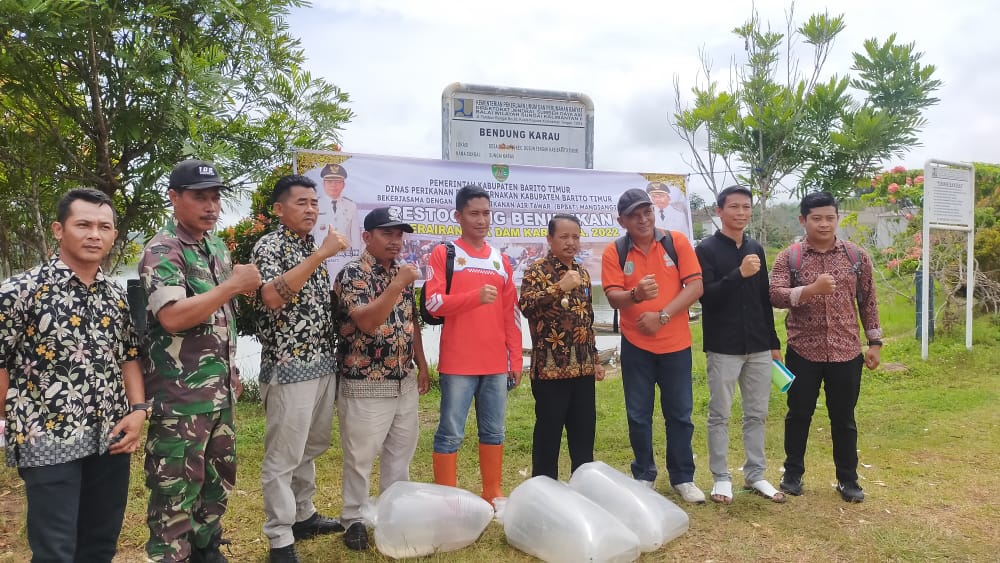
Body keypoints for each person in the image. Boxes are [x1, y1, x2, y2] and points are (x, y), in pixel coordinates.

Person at [0, 189, 146, 562]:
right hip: (48, 439)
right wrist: (8, 418)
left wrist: (138, 410)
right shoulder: (20, 292)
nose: (94, 234)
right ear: (59, 230)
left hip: (109, 437)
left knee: (100, 543)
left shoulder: (115, 295)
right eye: (83, 224)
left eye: (104, 226)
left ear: (114, 235)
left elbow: (129, 355)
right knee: (55, 549)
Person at [140, 159, 263, 562]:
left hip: (219, 394)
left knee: (217, 480)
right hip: (179, 400)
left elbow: (217, 320)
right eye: (199, 197)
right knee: (176, 490)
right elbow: (173, 316)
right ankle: (172, 555)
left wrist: (231, 372)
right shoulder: (163, 249)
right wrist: (232, 286)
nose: (211, 206)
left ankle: (205, 549)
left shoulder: (216, 247)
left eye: (215, 197)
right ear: (174, 198)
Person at [251, 175, 349, 563]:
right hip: (288, 367)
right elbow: (272, 297)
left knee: (311, 446)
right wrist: (321, 255)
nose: (311, 209)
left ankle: (303, 515)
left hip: (322, 364)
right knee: (283, 455)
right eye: (301, 203)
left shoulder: (308, 244)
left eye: (314, 203)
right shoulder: (269, 246)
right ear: (279, 209)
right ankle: (279, 537)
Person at [769, 191, 882, 503]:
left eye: (829, 217)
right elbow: (775, 295)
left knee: (844, 418)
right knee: (798, 414)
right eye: (816, 218)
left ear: (838, 218)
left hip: (847, 351)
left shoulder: (856, 257)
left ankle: (848, 480)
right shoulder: (789, 257)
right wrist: (809, 290)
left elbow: (868, 301)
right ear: (803, 220)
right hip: (802, 350)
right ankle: (792, 474)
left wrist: (874, 342)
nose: (823, 224)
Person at [333, 207, 431, 551]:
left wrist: (421, 363)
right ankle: (354, 519)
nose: (395, 241)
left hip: (402, 379)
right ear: (367, 237)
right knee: (361, 457)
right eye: (387, 234)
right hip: (365, 381)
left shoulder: (400, 273)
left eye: (399, 234)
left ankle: (393, 513)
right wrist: (398, 284)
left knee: (399, 454)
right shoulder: (352, 275)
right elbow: (365, 322)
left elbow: (411, 321)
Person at [601, 188, 706, 504]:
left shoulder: (676, 242)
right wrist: (635, 296)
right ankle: (644, 475)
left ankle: (683, 477)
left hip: (676, 344)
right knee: (638, 414)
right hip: (636, 346)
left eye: (646, 211)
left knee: (680, 414)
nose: (643, 219)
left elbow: (697, 285)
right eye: (634, 214)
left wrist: (662, 315)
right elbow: (611, 296)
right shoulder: (615, 252)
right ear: (622, 220)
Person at [425, 185, 522, 505]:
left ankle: (493, 491)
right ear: (458, 216)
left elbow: (511, 315)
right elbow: (434, 304)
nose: (482, 220)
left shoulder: (501, 261)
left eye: (486, 213)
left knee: (494, 432)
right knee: (451, 433)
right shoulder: (445, 254)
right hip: (458, 363)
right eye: (474, 213)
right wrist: (473, 298)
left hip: (495, 363)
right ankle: (447, 499)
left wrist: (516, 360)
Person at [695, 185, 784, 504]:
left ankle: (756, 474)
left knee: (757, 413)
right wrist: (738, 273)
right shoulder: (705, 249)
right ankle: (720, 477)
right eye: (734, 207)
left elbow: (764, 299)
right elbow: (706, 296)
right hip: (723, 345)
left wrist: (773, 342)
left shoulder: (756, 248)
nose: (741, 213)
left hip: (759, 345)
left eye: (746, 207)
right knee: (719, 413)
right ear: (719, 211)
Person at [519, 214, 605, 480]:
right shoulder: (536, 271)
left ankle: (584, 488)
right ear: (549, 239)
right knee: (548, 436)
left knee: (583, 436)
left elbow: (586, 320)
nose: (570, 243)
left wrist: (596, 359)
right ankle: (545, 494)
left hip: (583, 369)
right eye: (564, 237)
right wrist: (559, 287)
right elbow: (526, 307)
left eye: (575, 237)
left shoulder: (582, 273)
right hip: (550, 371)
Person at [316, 163, 362, 251]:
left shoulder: (351, 206)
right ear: (323, 184)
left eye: (338, 182)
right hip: (320, 258)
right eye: (329, 182)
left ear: (343, 185)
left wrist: (355, 259)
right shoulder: (314, 205)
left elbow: (355, 238)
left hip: (345, 258)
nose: (333, 185)